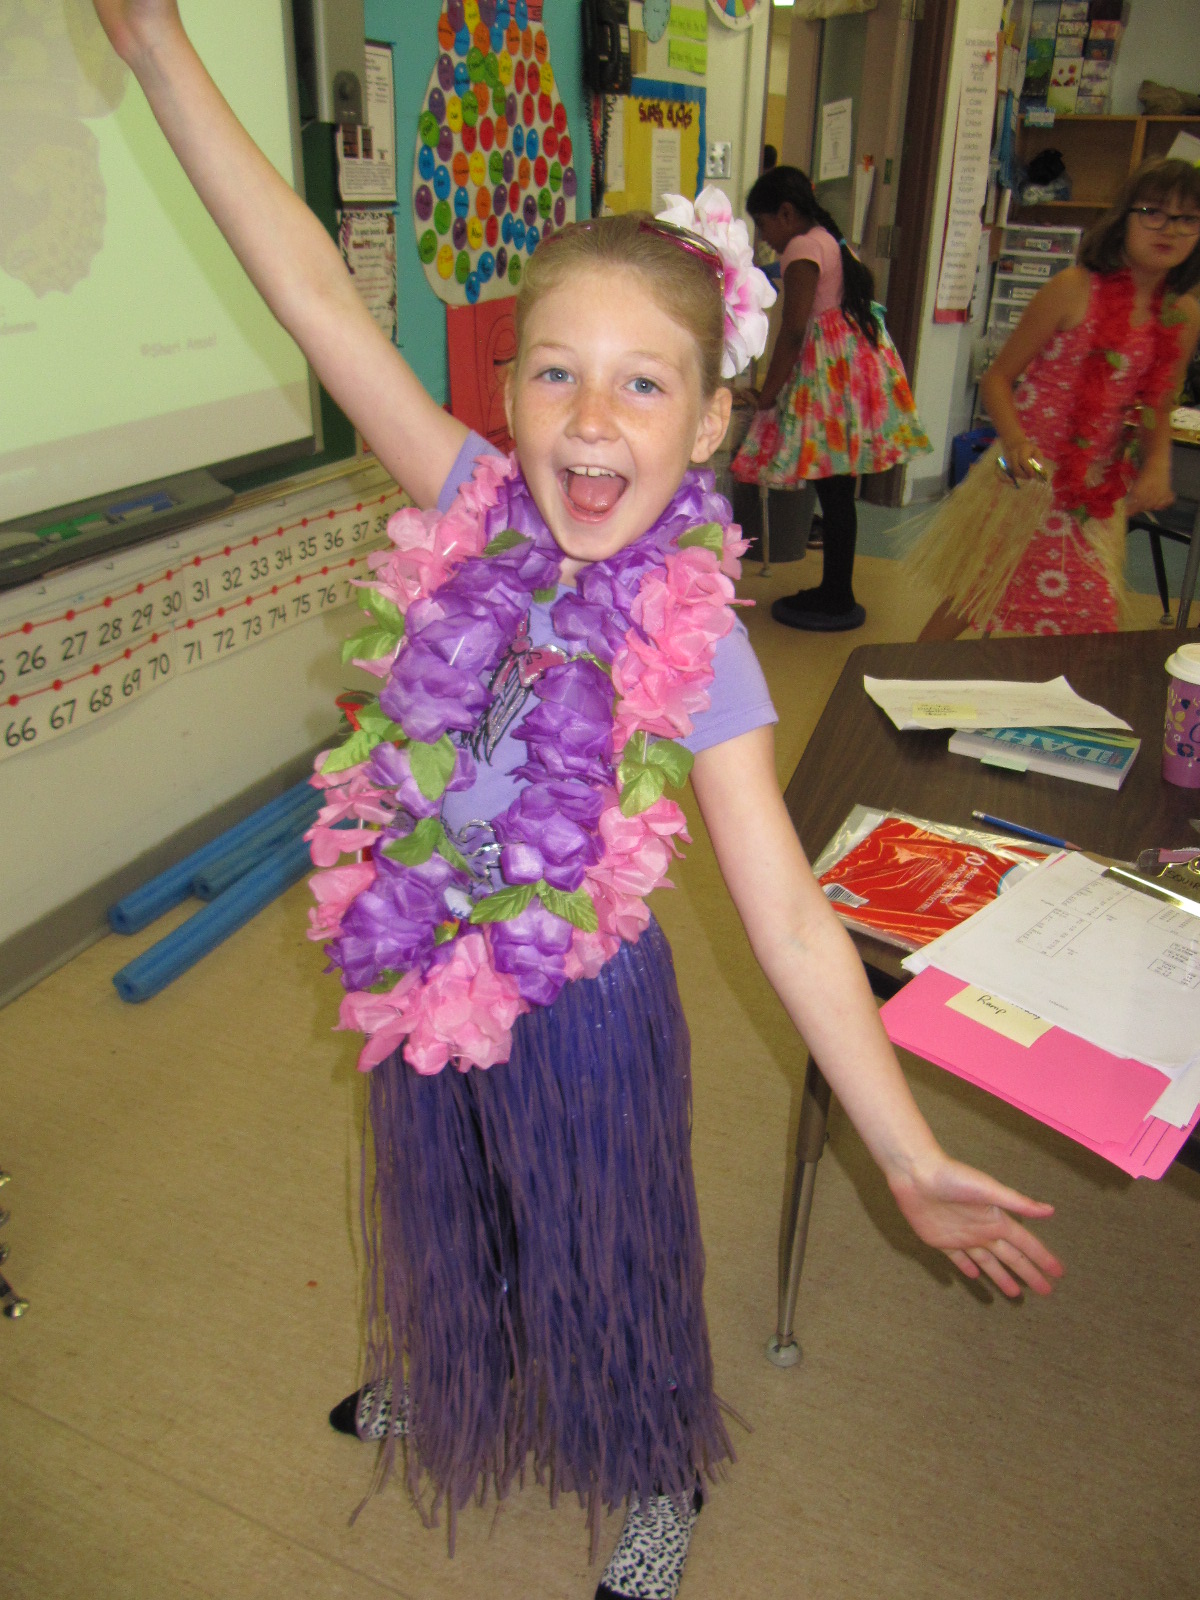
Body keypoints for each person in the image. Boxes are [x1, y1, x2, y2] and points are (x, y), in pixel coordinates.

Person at [94, 7, 1063, 1598]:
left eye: (640, 385)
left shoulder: (706, 659)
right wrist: (156, 54)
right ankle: (457, 1371)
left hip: (589, 1011)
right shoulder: (470, 507)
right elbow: (314, 295)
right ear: (511, 392)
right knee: (453, 1203)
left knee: (602, 1246)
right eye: (557, 374)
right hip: (422, 965)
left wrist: (903, 1153)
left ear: (709, 429)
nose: (591, 419)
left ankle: (655, 1461)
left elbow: (796, 930)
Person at [914, 159, 1200, 640]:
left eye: (1188, 218)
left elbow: (1160, 400)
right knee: (976, 592)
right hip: (1023, 470)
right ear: (1122, 218)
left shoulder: (1182, 314)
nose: (1168, 229)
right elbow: (999, 379)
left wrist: (1157, 465)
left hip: (1097, 483)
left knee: (1091, 605)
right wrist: (1018, 441)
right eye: (1153, 211)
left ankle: (1051, 704)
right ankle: (908, 683)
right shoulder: (1072, 290)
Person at [731, 165, 930, 632]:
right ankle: (836, 588)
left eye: (765, 224)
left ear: (786, 212)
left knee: (836, 494)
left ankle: (838, 593)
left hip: (828, 375)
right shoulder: (830, 238)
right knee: (839, 492)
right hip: (851, 371)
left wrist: (769, 393)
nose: (766, 238)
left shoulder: (802, 247)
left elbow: (795, 327)